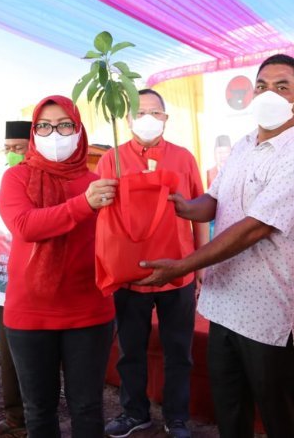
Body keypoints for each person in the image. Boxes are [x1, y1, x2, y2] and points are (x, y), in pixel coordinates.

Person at [136, 54, 294, 437]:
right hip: (224, 305)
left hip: (271, 311)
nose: (268, 94)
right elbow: (213, 201)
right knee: (230, 410)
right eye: (261, 86)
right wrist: (183, 207)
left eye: (281, 86)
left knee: (279, 417)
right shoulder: (242, 146)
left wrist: (183, 265)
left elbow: (254, 228)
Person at [0, 95, 118, 436]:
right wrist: (84, 205)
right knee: (39, 410)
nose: (55, 133)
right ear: (34, 132)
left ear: (79, 131)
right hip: (30, 313)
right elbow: (25, 225)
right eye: (45, 126)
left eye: (65, 125)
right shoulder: (16, 178)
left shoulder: (97, 181)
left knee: (88, 408)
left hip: (89, 310)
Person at [99, 89, 209, 438]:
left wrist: (199, 263)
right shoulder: (111, 160)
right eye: (140, 112)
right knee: (131, 349)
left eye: (156, 112)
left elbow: (200, 214)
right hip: (131, 276)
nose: (148, 118)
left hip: (178, 272)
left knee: (179, 350)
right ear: (128, 118)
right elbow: (102, 219)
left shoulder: (183, 158)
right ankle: (135, 413)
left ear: (165, 118)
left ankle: (176, 417)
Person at [0, 120, 31, 437]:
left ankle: (41, 417)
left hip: (40, 285)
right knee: (8, 353)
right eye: (8, 149)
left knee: (40, 357)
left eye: (18, 148)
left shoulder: (52, 182)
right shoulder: (7, 180)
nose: (12, 155)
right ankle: (15, 416)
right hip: (6, 283)